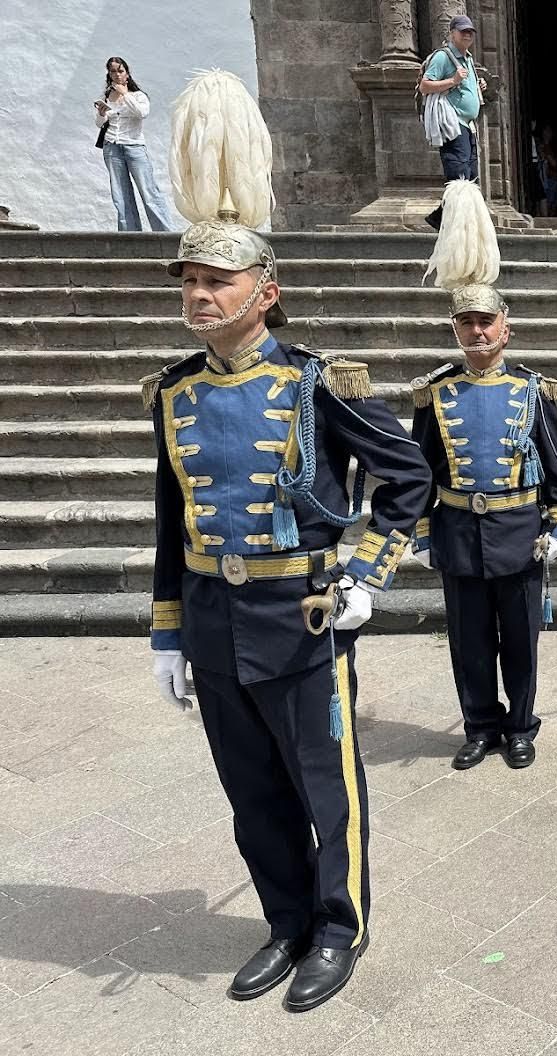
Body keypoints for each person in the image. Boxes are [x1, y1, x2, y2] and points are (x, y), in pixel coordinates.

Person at [147, 71, 432, 1013]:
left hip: (302, 616)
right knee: (251, 791)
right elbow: (168, 517)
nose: (196, 295)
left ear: (264, 291)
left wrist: (366, 574)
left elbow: (410, 478)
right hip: (215, 619)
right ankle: (285, 919)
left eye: (213, 280)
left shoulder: (317, 384)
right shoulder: (174, 394)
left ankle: (340, 926)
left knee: (325, 785)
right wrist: (166, 631)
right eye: (188, 279)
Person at [414, 180, 557, 771]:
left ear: (505, 325)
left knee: (521, 641)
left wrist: (556, 524)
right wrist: (425, 533)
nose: (477, 331)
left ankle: (521, 724)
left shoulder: (534, 390)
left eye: (486, 321)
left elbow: (555, 466)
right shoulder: (434, 394)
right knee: (469, 644)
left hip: (519, 532)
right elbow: (423, 468)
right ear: (456, 329)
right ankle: (479, 724)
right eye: (466, 323)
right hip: (457, 533)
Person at [95, 57, 176, 232]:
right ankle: (129, 236)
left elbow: (141, 113)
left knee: (148, 191)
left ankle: (165, 234)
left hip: (134, 147)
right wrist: (101, 114)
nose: (116, 75)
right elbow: (100, 123)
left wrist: (125, 95)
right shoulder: (107, 96)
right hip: (112, 147)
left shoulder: (138, 96)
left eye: (120, 71)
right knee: (120, 195)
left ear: (127, 73)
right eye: (112, 71)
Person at [419, 15, 486, 184]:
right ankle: (454, 210)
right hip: (453, 125)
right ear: (452, 34)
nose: (467, 34)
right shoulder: (443, 57)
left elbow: (463, 86)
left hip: (468, 126)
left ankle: (464, 210)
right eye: (463, 30)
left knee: (471, 176)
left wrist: (478, 86)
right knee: (459, 176)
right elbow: (424, 86)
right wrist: (453, 81)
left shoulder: (468, 58)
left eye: (470, 31)